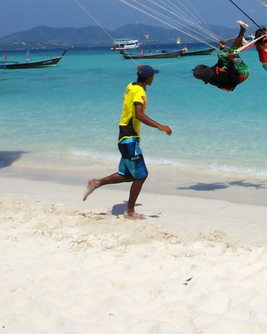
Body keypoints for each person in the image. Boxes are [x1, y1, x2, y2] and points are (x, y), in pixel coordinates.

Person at [83, 64, 171, 219]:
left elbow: (141, 91)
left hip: (124, 136)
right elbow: (139, 114)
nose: (154, 78)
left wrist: (141, 70)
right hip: (130, 138)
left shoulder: (132, 86)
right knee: (141, 175)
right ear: (149, 78)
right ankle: (130, 211)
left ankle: (96, 183)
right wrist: (160, 126)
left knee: (128, 174)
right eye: (153, 76)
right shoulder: (140, 92)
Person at [192, 21, 251, 92]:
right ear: (205, 70)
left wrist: (222, 48)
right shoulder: (215, 78)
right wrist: (231, 60)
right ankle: (242, 31)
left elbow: (220, 63)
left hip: (237, 67)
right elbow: (231, 77)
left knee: (222, 54)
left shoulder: (210, 72)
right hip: (243, 73)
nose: (207, 66)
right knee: (231, 53)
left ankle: (241, 39)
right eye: (205, 66)